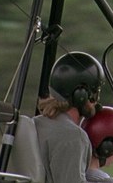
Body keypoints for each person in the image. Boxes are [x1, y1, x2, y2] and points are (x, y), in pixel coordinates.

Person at [34, 51, 106, 183]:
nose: (96, 102)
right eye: (95, 93)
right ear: (81, 94)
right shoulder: (73, 136)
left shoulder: (35, 123)